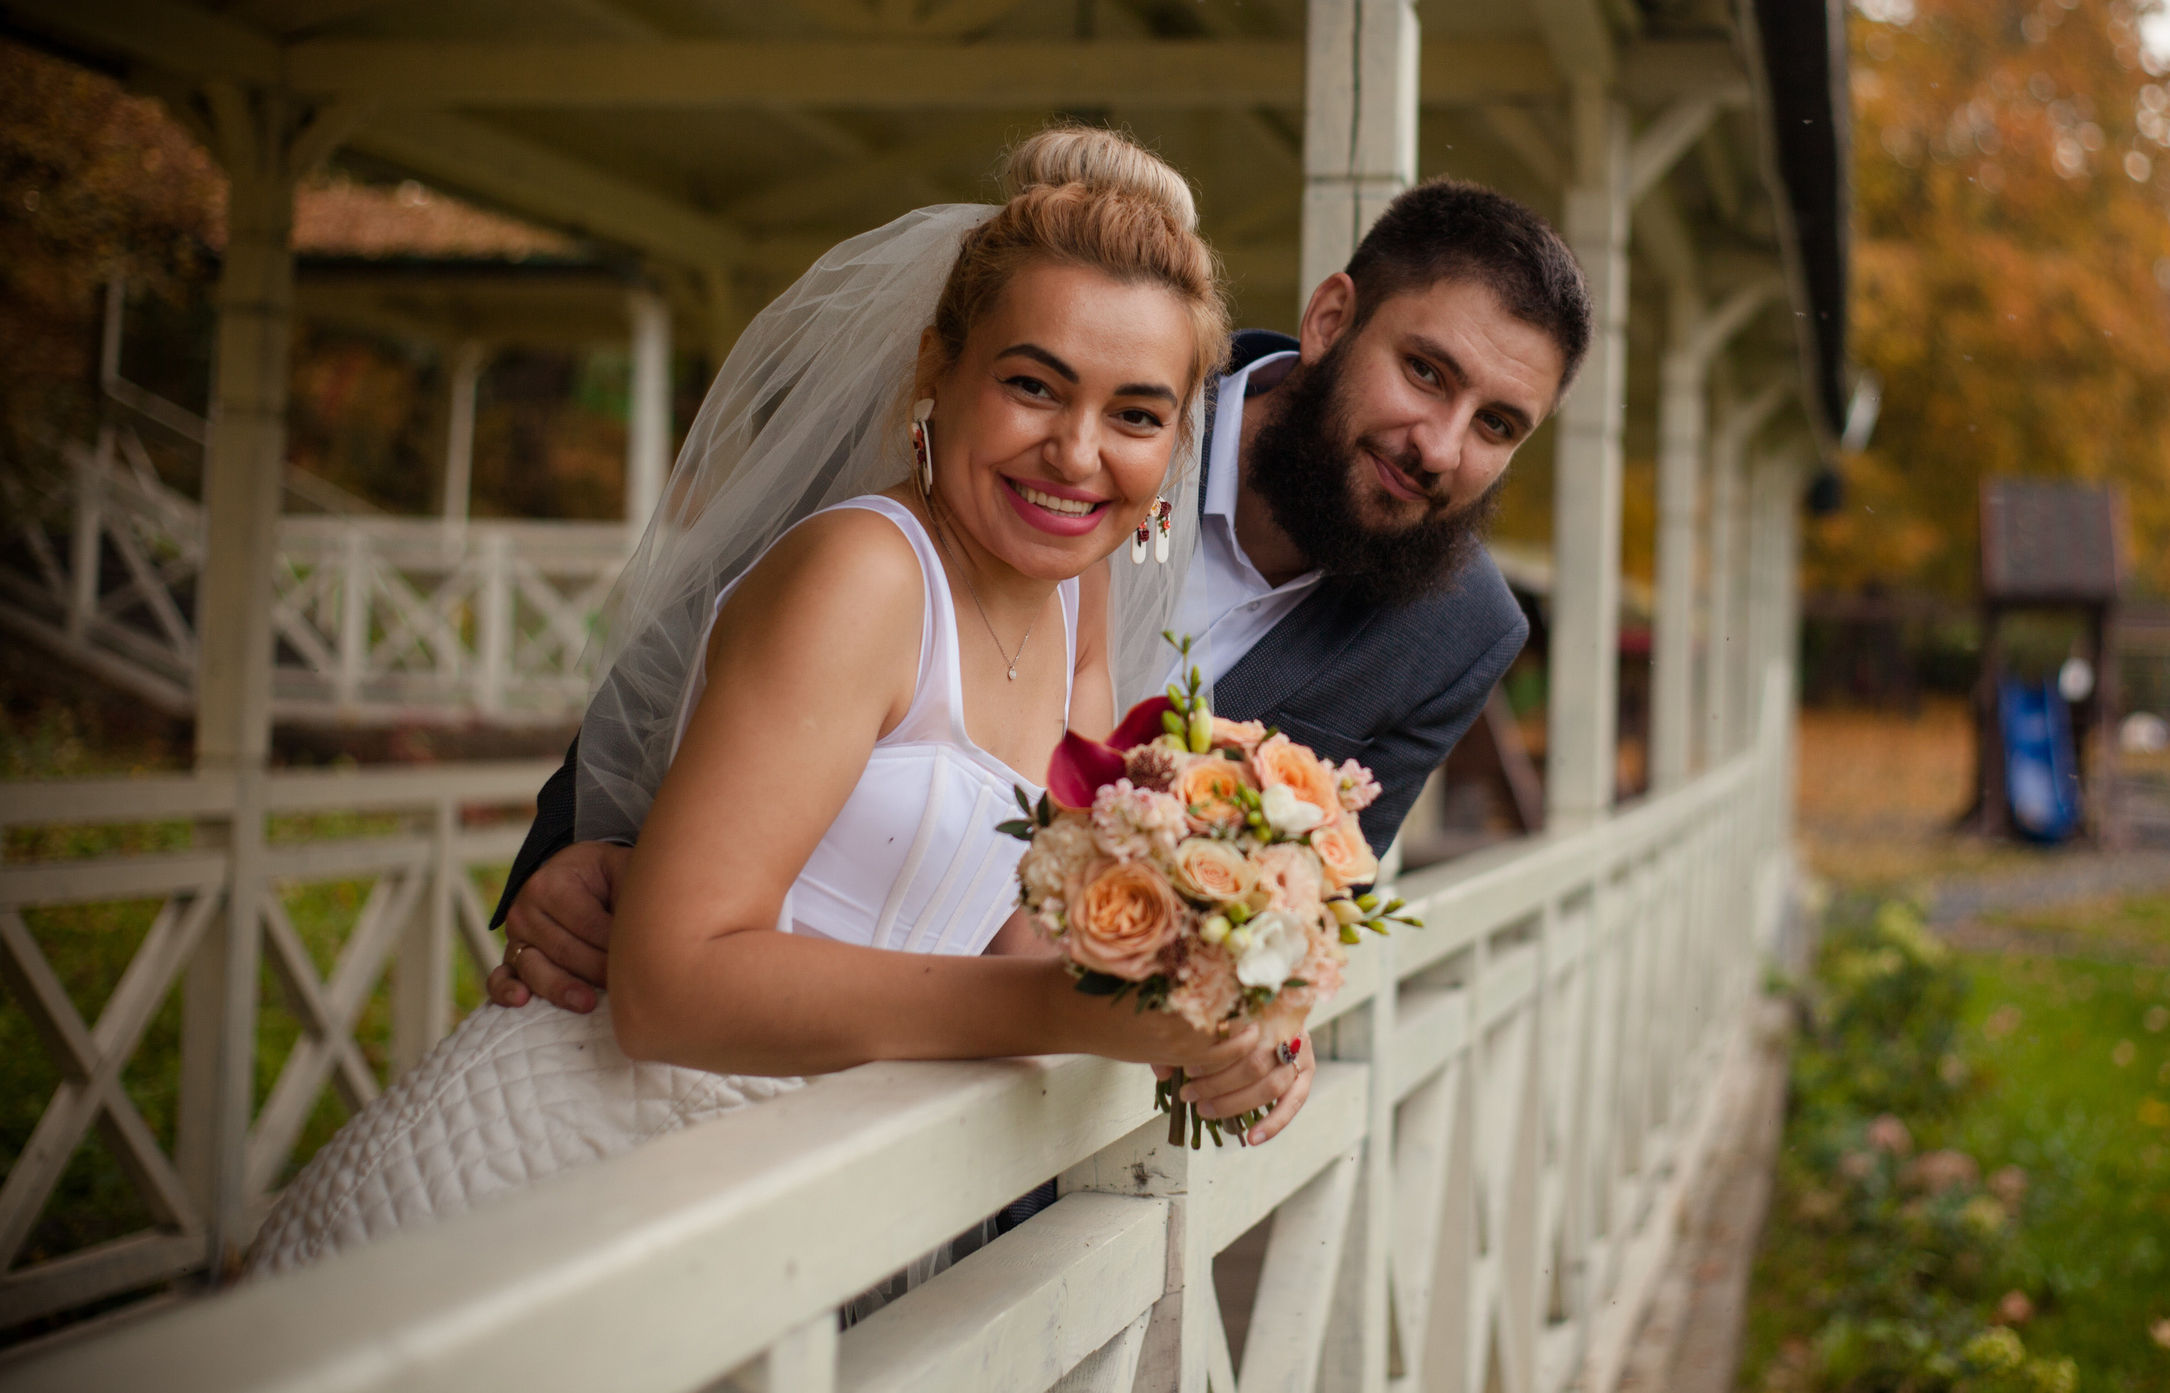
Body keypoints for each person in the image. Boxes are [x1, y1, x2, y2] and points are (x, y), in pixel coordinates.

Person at [249, 130, 1304, 1275]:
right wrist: (1059, 1014)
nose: (1076, 452)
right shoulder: (861, 575)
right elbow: (670, 989)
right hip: (560, 1192)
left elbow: (1025, 924)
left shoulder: (1075, 599)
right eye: (1032, 385)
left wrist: (1213, 1000)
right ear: (934, 370)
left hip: (779, 1205)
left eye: (1136, 415)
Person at [491, 177, 1594, 1022]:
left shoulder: (1460, 637)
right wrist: (569, 848)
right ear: (1330, 319)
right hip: (698, 1006)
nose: (1440, 447)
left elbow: (1303, 905)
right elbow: (723, 612)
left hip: (989, 1136)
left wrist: (1259, 1027)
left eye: (1499, 426)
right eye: (1426, 373)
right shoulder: (1068, 411)